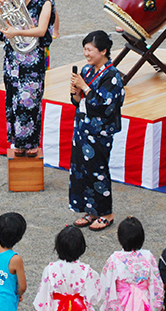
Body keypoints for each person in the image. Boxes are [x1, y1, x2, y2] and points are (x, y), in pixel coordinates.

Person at [68, 30, 124, 231]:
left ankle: (106, 213)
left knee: (98, 170)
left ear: (103, 51)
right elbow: (78, 101)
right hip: (83, 127)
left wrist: (86, 87)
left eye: (90, 50)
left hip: (100, 131)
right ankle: (90, 210)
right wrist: (76, 92)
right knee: (81, 169)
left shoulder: (113, 76)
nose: (86, 53)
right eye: (84, 49)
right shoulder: (87, 70)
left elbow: (105, 105)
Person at [0, 0, 55, 157]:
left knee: (29, 101)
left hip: (33, 60)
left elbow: (40, 30)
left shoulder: (45, 3)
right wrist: (5, 20)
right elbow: (6, 31)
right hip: (13, 59)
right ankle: (18, 142)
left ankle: (31, 142)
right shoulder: (14, 2)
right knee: (14, 99)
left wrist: (17, 31)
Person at [99, 216, 165, 311]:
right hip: (143, 299)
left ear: (119, 238)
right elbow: (155, 281)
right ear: (142, 237)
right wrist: (157, 304)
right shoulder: (148, 256)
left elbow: (106, 283)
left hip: (121, 301)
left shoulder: (115, 259)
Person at [33, 226, 100, 310]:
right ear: (82, 247)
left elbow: (42, 297)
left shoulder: (50, 270)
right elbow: (94, 298)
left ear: (57, 247)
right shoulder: (87, 272)